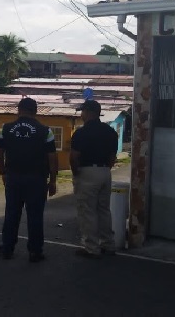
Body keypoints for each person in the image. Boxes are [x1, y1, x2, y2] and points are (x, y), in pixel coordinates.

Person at [0, 97, 58, 262]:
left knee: (11, 214)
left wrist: (3, 172)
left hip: (13, 178)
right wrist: (52, 180)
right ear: (35, 111)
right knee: (35, 216)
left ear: (18, 110)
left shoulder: (5, 129)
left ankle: (6, 250)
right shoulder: (46, 131)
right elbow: (52, 158)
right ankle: (35, 252)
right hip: (37, 180)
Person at [70, 99, 119, 259]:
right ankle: (108, 244)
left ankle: (91, 247)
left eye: (83, 111)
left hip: (87, 172)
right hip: (105, 171)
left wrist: (76, 172)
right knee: (104, 209)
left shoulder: (81, 133)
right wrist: (105, 169)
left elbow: (74, 156)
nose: (81, 115)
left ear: (89, 112)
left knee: (88, 211)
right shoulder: (110, 131)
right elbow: (113, 156)